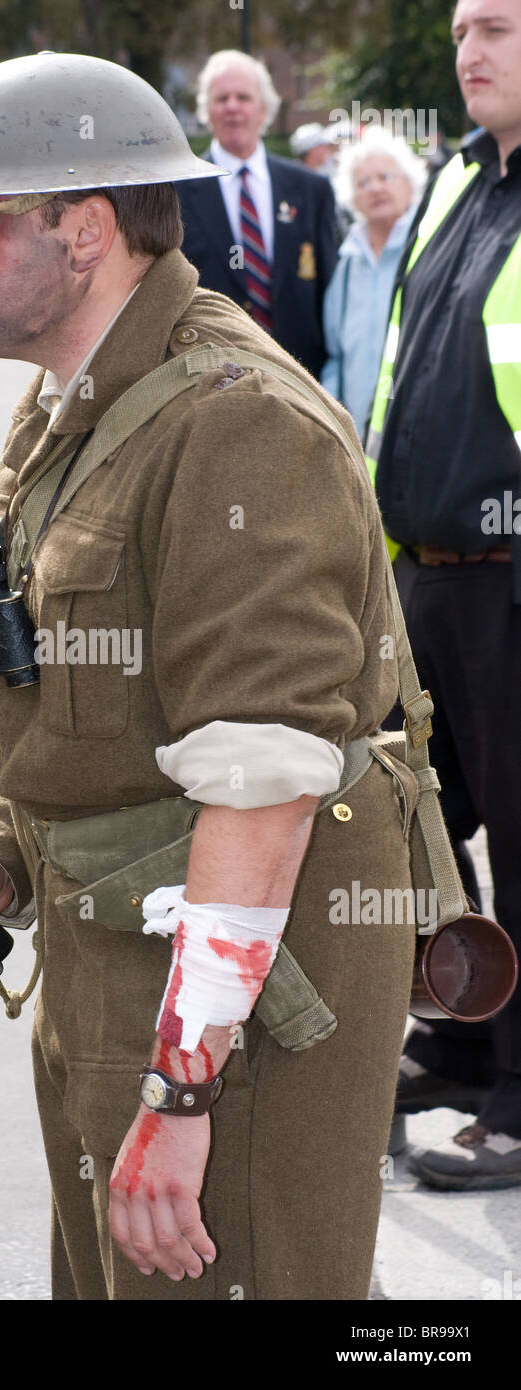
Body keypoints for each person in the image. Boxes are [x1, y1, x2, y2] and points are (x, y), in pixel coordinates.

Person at [0, 49, 421, 1300]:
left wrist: (183, 1087)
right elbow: (64, 682)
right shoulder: (74, 399)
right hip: (114, 947)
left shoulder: (233, 421)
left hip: (237, 997)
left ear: (82, 232)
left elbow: (265, 782)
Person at [366, 0, 521, 1189]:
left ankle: (517, 1096)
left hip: (510, 579)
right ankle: (468, 1047)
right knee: (407, 822)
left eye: (499, 29)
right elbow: (399, 369)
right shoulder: (455, 179)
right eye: (464, 28)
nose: (470, 51)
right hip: (422, 577)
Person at [176, 49, 338, 377]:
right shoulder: (176, 194)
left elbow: (329, 288)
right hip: (210, 378)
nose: (232, 106)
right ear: (206, 110)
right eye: (222, 98)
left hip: (301, 376)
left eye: (243, 97)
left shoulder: (311, 190)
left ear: (264, 108)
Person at [322, 129, 426, 438]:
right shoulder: (348, 261)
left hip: (417, 428)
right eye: (363, 182)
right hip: (356, 432)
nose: (375, 188)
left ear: (411, 184)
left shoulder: (426, 249)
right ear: (351, 198)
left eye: (385, 177)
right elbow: (336, 354)